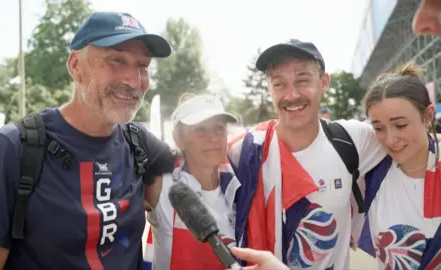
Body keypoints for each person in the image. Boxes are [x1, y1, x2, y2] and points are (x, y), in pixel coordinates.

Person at [0, 11, 177, 270]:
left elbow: (196, 189)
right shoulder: (15, 146)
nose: (133, 80)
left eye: (142, 66)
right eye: (116, 60)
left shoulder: (139, 143)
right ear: (75, 66)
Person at [227, 39, 386, 270]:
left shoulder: (351, 139)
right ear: (269, 89)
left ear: (324, 82)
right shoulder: (243, 151)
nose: (291, 95)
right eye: (279, 84)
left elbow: (409, 145)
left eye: (302, 81)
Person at [356, 62, 441, 269]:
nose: (390, 139)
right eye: (379, 128)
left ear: (427, 116)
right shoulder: (371, 173)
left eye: (400, 125)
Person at [143, 93, 240, 270]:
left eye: (219, 128)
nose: (213, 138)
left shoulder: (241, 189)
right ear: (178, 138)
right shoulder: (161, 186)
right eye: (201, 129)